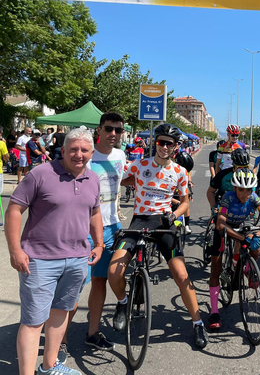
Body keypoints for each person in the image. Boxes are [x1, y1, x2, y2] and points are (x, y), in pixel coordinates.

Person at [5, 128, 104, 375]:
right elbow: (14, 210)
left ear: (92, 152)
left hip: (77, 259)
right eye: (73, 149)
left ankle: (49, 366)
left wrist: (99, 243)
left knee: (60, 312)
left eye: (84, 150)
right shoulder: (41, 174)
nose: (78, 154)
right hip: (39, 260)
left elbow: (94, 213)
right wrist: (15, 250)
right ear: (63, 149)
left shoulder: (92, 179)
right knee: (33, 321)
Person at [108, 124, 208, 349]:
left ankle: (198, 323)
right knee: (114, 270)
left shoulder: (180, 172)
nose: (164, 147)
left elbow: (184, 203)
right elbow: (120, 180)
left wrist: (173, 216)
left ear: (175, 147)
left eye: (169, 143)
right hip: (140, 220)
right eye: (161, 142)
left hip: (164, 222)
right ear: (156, 142)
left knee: (182, 276)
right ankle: (123, 303)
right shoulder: (139, 164)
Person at [62, 113, 127, 355]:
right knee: (75, 285)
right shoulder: (88, 154)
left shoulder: (121, 156)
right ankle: (61, 341)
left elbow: (126, 180)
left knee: (101, 281)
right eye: (109, 129)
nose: (113, 134)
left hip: (112, 227)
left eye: (118, 130)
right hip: (83, 228)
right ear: (99, 129)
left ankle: (92, 332)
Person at [207, 169, 260, 331]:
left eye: (249, 190)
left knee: (255, 248)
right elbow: (220, 224)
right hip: (225, 229)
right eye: (241, 189)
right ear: (235, 188)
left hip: (243, 228)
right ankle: (214, 311)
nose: (245, 194)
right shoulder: (227, 197)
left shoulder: (253, 197)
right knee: (215, 269)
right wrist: (242, 237)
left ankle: (247, 269)